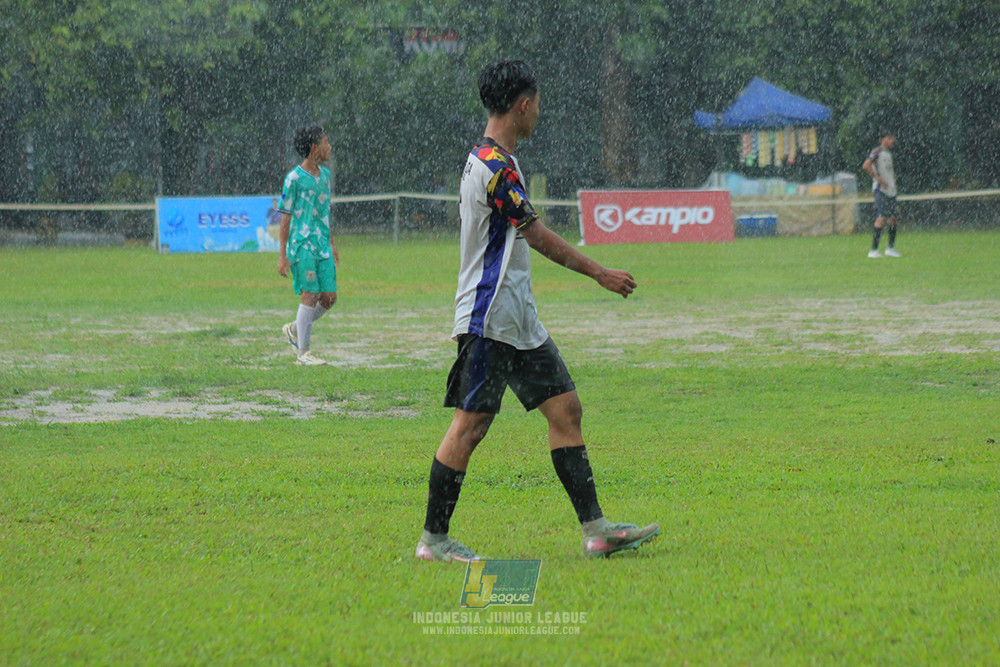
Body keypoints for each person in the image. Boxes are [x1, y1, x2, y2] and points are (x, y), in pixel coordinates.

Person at [414, 60, 659, 562]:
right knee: (470, 426)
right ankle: (433, 542)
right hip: (489, 319)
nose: (538, 113)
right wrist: (599, 273)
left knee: (566, 409)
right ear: (523, 105)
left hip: (517, 319)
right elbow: (539, 237)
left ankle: (596, 531)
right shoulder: (494, 167)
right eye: (537, 105)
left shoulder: (491, 158)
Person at [277, 125, 339, 365]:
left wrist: (332, 243)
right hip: (301, 244)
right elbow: (285, 216)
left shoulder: (326, 177)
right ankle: (303, 353)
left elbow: (325, 213)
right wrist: (282, 255)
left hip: (322, 244)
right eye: (325, 141)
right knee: (310, 295)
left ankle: (295, 328)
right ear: (314, 148)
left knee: (329, 298)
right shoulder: (293, 179)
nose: (329, 146)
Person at [863, 131, 901, 258]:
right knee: (881, 218)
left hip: (891, 191)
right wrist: (878, 179)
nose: (892, 141)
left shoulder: (888, 154)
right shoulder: (877, 152)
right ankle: (873, 250)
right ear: (883, 139)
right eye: (889, 138)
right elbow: (866, 165)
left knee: (893, 220)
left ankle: (890, 248)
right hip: (881, 190)